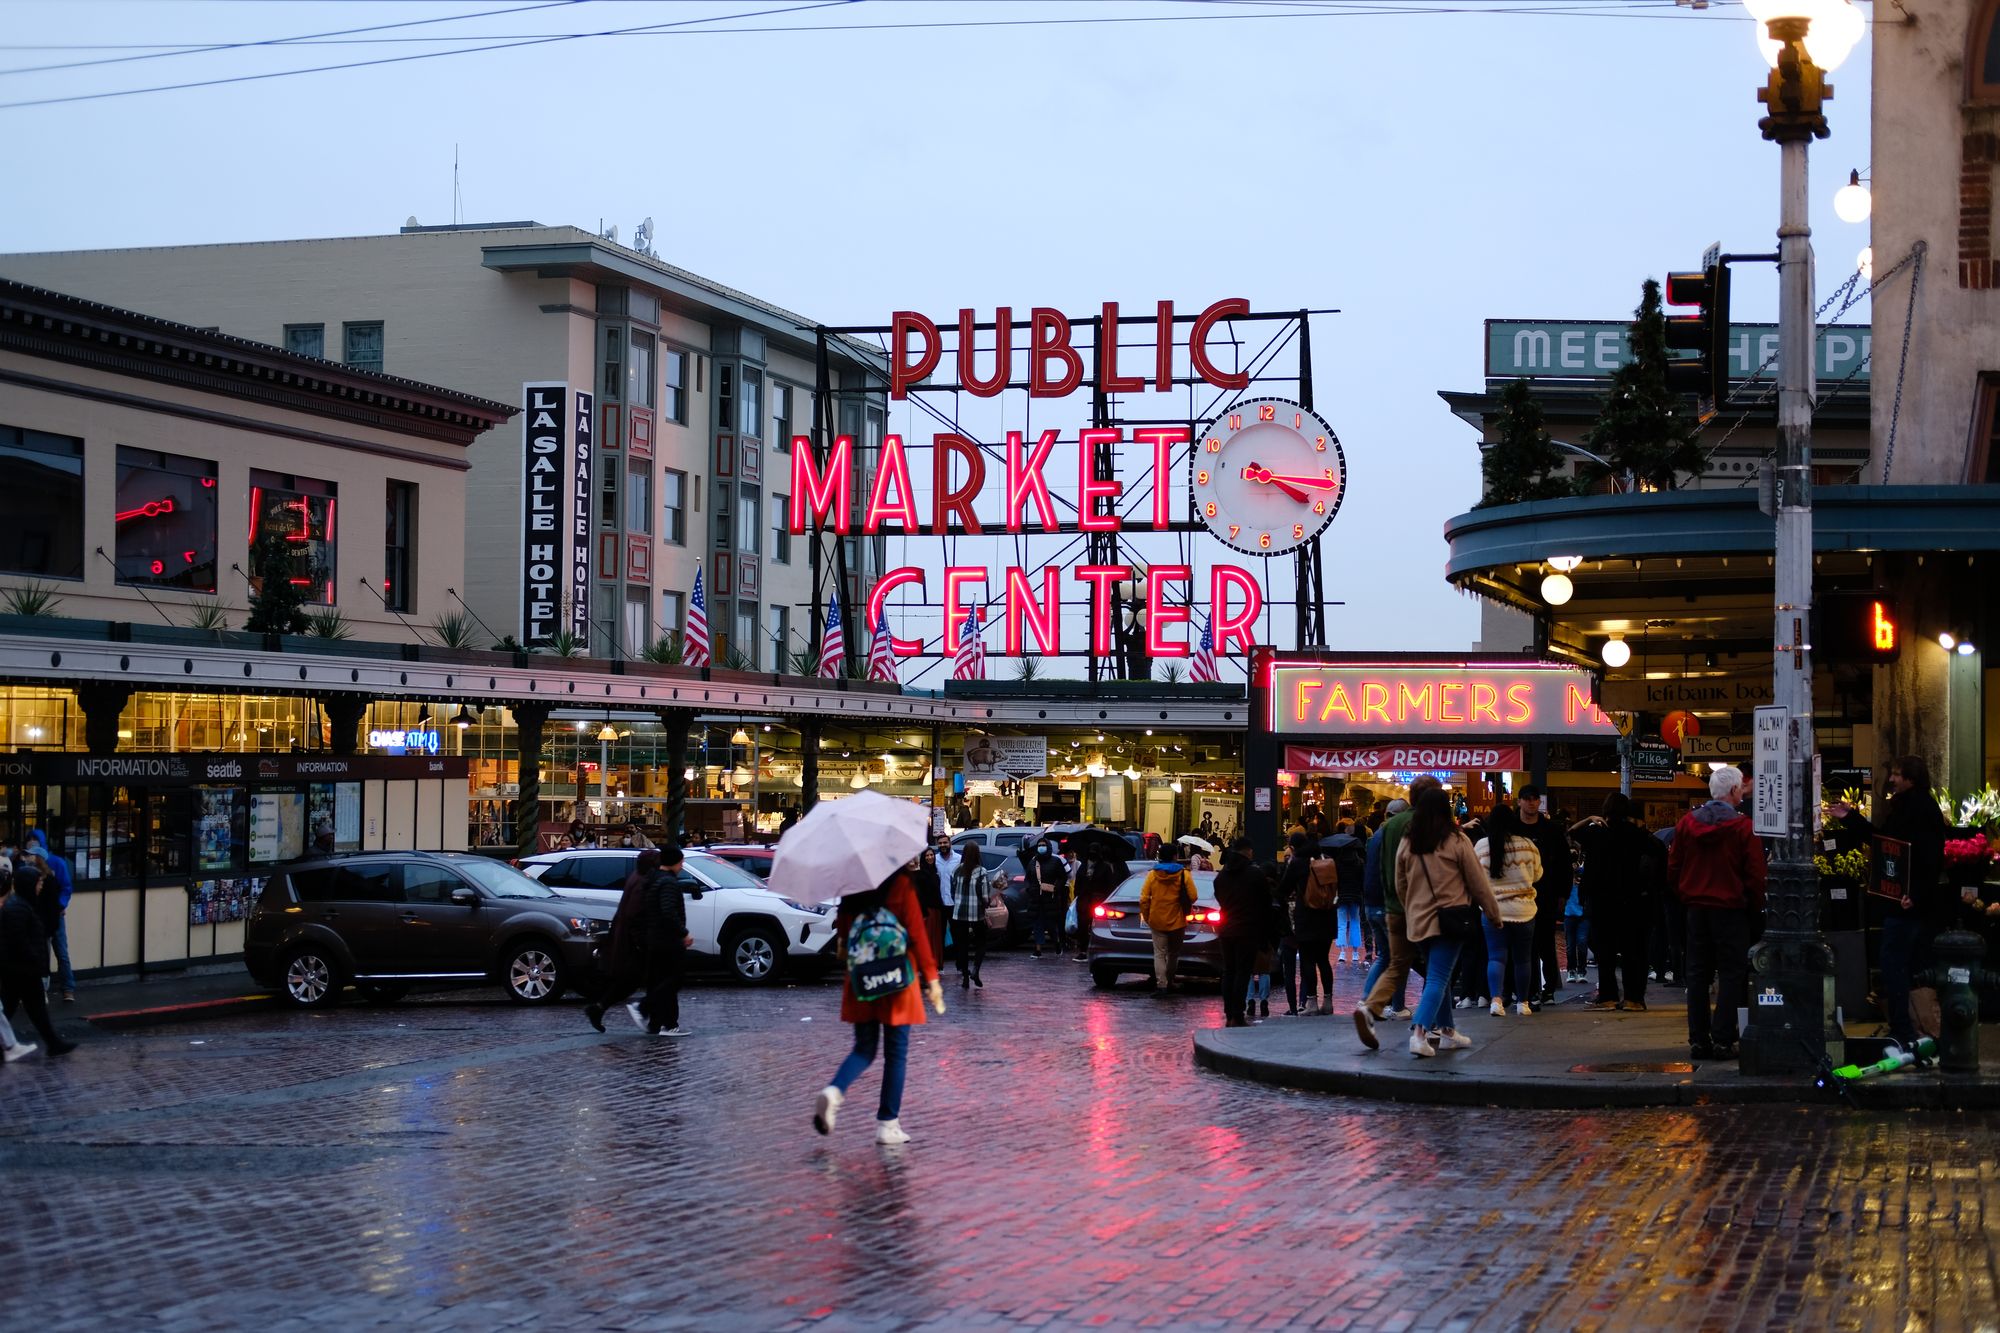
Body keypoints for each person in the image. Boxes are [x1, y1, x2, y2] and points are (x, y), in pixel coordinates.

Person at [814, 862, 944, 1146]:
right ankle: (888, 1123)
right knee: (896, 1054)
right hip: (898, 978)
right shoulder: (901, 885)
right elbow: (918, 935)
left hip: (862, 980)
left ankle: (835, 1090)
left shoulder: (851, 886)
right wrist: (932, 979)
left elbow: (845, 940)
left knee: (864, 1048)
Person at [1829, 755, 1950, 1049]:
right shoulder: (1909, 807)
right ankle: (1914, 1029)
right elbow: (1884, 841)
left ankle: (1906, 1030)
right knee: (1902, 965)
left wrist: (1915, 893)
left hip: (1906, 903)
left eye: (1897, 774)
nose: (1892, 779)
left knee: (1896, 964)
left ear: (1912, 779)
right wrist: (1851, 818)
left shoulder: (1919, 809)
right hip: (1905, 900)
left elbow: (1927, 856)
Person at [1669, 765, 1768, 1059]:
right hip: (1731, 909)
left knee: (1697, 975)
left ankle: (1698, 1040)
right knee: (1732, 974)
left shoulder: (1687, 824)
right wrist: (1755, 906)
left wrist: (1685, 894)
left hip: (1696, 908)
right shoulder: (1743, 827)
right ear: (1735, 791)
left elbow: (1674, 867)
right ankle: (1723, 1039)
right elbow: (1755, 874)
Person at [1396, 788, 1501, 1058]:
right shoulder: (1457, 840)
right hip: (1450, 917)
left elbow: (1400, 882)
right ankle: (1419, 1032)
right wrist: (1493, 913)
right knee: (1439, 977)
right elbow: (1477, 882)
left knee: (1436, 974)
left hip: (1418, 919)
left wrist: (1411, 907)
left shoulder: (1409, 841)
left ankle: (1448, 1032)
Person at [1355, 778, 1444, 1050]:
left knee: (1394, 961)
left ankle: (1370, 1004)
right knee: (1436, 968)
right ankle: (1427, 1026)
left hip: (1386, 904)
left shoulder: (1383, 831)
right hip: (1414, 906)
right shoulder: (1419, 826)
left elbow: (1383, 871)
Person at [1573, 793, 1668, 1012]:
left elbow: (1572, 832)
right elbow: (1657, 857)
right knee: (1633, 951)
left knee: (1604, 953)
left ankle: (1608, 996)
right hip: (1633, 901)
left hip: (1601, 902)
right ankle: (1634, 998)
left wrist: (1590, 819)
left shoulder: (1596, 833)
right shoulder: (1638, 835)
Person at [583, 848, 665, 1034]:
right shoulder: (642, 881)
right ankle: (651, 1017)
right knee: (639, 979)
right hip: (632, 941)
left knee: (629, 980)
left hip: (626, 938)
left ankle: (599, 1008)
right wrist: (640, 941)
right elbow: (635, 913)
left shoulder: (636, 877)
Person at [1473, 803, 1543, 1017]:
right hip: (1524, 911)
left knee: (1496, 957)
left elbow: (1475, 877)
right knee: (1523, 959)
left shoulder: (1483, 846)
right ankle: (1523, 1003)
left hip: (1493, 911)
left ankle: (1496, 1001)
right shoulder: (1528, 845)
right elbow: (1537, 875)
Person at [0, 868, 75, 1057]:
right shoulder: (18, 907)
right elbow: (19, 939)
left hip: (20, 968)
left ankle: (52, 1043)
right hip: (22, 968)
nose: (40, 886)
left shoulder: (21, 904)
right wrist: (34, 958)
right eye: (38, 883)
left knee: (26, 1008)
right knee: (24, 1008)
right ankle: (52, 1043)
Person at [1515, 785, 1572, 1002]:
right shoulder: (1512, 828)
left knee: (1546, 942)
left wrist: (1563, 894)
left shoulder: (1551, 830)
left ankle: (1547, 988)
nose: (1531, 803)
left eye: (1534, 799)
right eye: (1527, 799)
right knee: (1523, 945)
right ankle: (1528, 988)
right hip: (1519, 894)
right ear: (1519, 801)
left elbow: (1564, 864)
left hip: (1546, 894)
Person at [1357, 798, 1408, 1032]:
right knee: (1398, 957)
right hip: (1388, 905)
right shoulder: (1394, 835)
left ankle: (1366, 1001)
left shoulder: (1375, 836)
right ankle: (1397, 1006)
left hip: (1370, 903)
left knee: (1384, 956)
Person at [638, 846, 695, 1036]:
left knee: (659, 980)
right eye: (681, 861)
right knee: (674, 979)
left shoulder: (653, 879)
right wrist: (683, 932)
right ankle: (651, 1011)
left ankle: (657, 1023)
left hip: (654, 937)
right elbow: (669, 912)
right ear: (675, 862)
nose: (682, 865)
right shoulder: (669, 883)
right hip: (667, 939)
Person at [1213, 838, 1268, 1027]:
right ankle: (1238, 1013)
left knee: (1229, 971)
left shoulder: (1222, 876)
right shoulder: (1254, 874)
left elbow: (1219, 896)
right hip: (1247, 929)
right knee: (1243, 972)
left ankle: (1230, 1013)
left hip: (1226, 929)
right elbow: (1265, 903)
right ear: (1248, 852)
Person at [25, 830, 76, 1001]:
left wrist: (60, 906)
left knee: (61, 952)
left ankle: (68, 988)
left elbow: (66, 888)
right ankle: (43, 989)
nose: (31, 842)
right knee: (43, 953)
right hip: (41, 916)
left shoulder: (57, 863)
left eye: (34, 839)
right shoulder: (29, 867)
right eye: (29, 839)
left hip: (54, 914)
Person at [1139, 851, 1197, 993]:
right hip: (1178, 920)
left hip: (1157, 919)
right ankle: (1170, 980)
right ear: (1175, 856)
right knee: (1173, 953)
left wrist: (1147, 916)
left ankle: (1161, 984)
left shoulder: (1152, 875)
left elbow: (1144, 899)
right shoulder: (1184, 874)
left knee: (1159, 953)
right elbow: (1193, 896)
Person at [1293, 837, 1337, 1014]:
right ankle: (1328, 1001)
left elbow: (1284, 886)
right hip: (1327, 916)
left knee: (1308, 960)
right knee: (1324, 960)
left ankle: (1311, 1002)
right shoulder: (1328, 862)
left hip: (1307, 917)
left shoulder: (1298, 863)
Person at [947, 841, 988, 988]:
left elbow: (952, 891)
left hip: (959, 913)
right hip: (976, 912)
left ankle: (965, 975)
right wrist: (986, 904)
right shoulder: (981, 871)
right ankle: (976, 969)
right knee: (981, 942)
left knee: (961, 945)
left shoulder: (956, 870)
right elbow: (984, 895)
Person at [1033, 839, 1070, 957]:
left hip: (1050, 898)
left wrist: (1055, 888)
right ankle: (1038, 949)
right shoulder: (1033, 861)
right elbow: (1029, 877)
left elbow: (1063, 877)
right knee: (1037, 923)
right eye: (1039, 845)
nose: (1041, 847)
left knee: (1050, 924)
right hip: (1036, 898)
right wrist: (1030, 889)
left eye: (1043, 845)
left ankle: (1057, 943)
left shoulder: (1056, 861)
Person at [913, 846, 946, 969]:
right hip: (928, 910)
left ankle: (934, 964)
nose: (930, 857)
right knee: (928, 938)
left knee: (935, 938)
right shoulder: (921, 874)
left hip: (937, 909)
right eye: (927, 855)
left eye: (931, 855)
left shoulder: (935, 872)